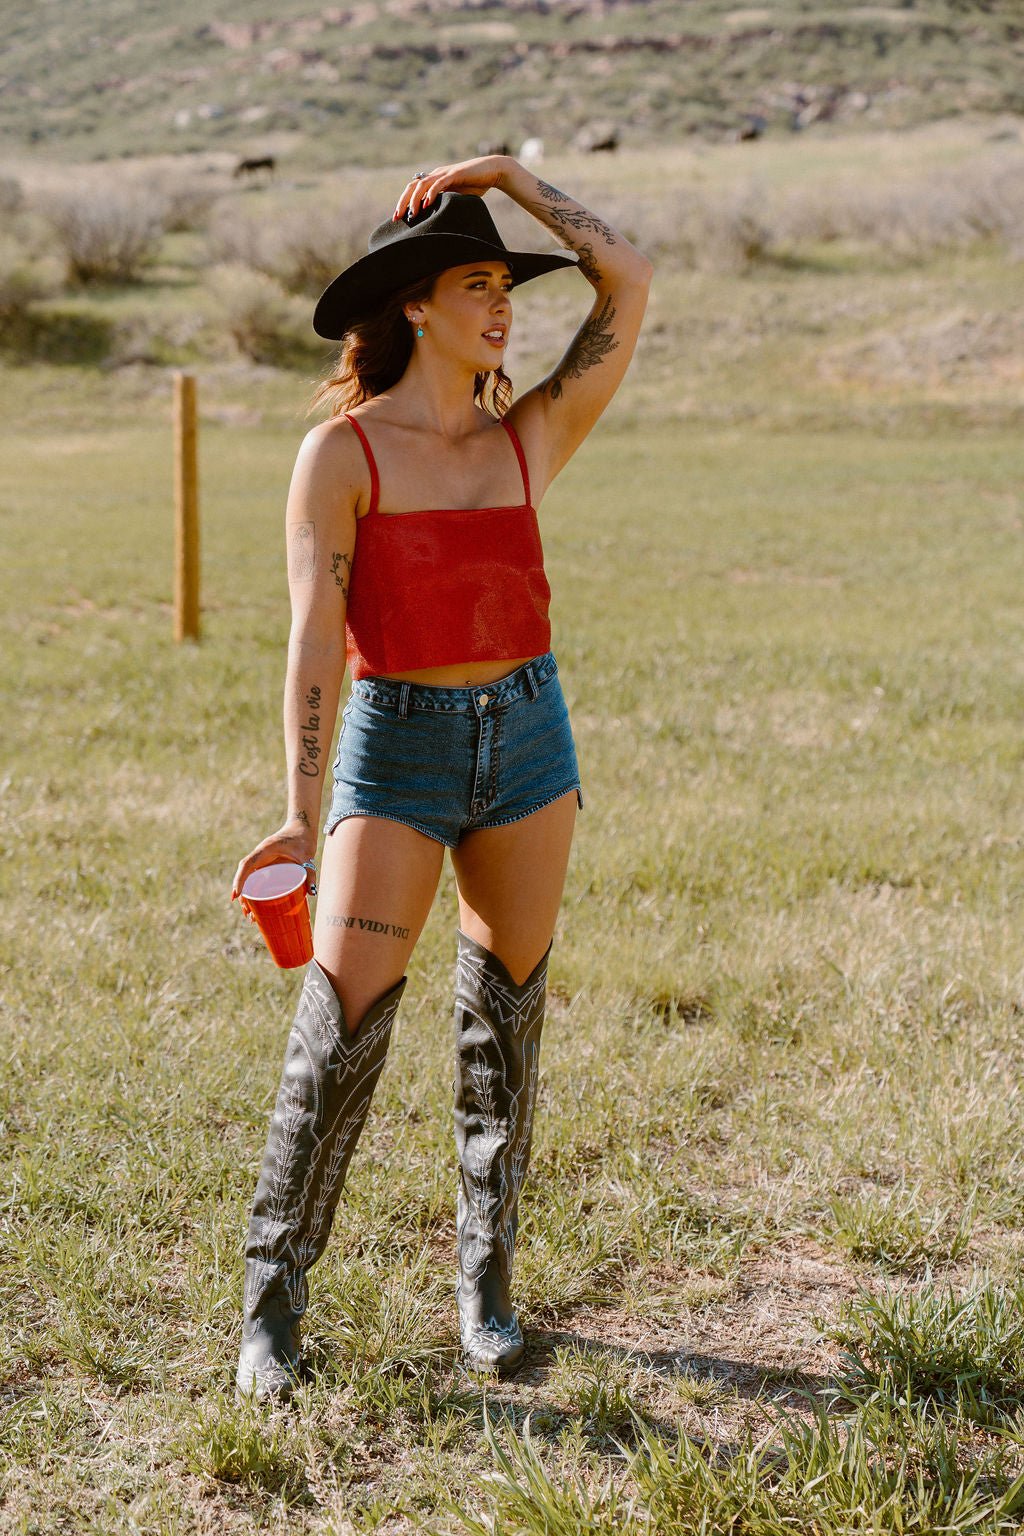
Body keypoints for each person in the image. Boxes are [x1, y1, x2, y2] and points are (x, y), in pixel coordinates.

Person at [230, 154, 652, 1402]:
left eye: (505, 285)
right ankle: (270, 1303)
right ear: (414, 302)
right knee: (341, 1028)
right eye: (477, 284)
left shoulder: (530, 434)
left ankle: (486, 1284)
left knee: (507, 1020)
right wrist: (300, 814)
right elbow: (315, 636)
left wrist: (513, 182)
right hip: (397, 744)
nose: (504, 305)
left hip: (530, 739)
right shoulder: (342, 454)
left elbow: (624, 276)